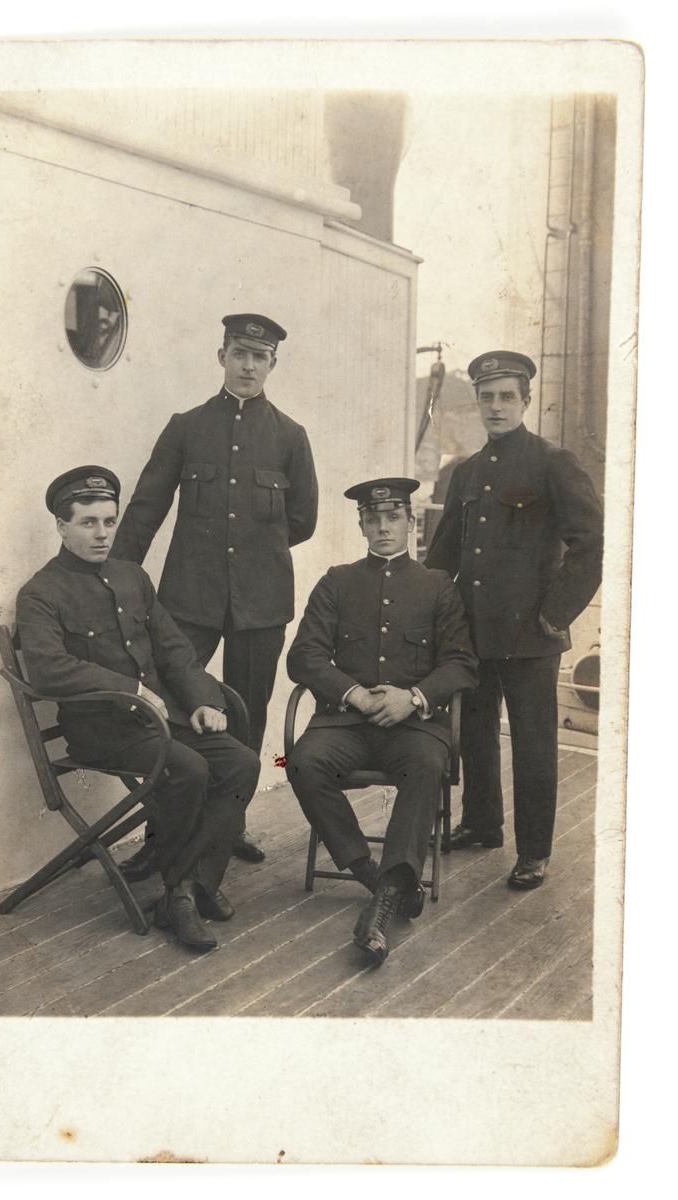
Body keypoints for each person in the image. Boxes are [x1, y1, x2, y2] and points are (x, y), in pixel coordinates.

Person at [15, 466, 261, 953]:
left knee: (242, 762)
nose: (102, 533)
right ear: (62, 528)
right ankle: (185, 894)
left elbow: (174, 652)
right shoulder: (41, 593)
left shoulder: (132, 577)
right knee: (188, 768)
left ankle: (189, 888)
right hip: (102, 730)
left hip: (161, 721)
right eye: (88, 523)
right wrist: (130, 687)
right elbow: (48, 670)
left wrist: (204, 700)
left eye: (109, 521)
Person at [111, 313, 318, 869]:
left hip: (261, 604)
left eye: (260, 357)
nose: (249, 365)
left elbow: (303, 520)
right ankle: (161, 836)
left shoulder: (291, 437)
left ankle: (230, 828)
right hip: (189, 599)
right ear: (221, 356)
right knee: (175, 709)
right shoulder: (186, 426)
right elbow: (146, 507)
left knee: (246, 717)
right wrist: (119, 578)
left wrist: (252, 553)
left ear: (273, 364)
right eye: (239, 354)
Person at [425, 351, 604, 890]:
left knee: (532, 743)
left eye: (507, 396)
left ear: (526, 401)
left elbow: (591, 544)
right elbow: (442, 557)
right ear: (477, 402)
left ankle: (534, 852)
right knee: (474, 733)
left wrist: (555, 613)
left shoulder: (553, 462)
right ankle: (482, 823)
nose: (496, 406)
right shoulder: (466, 472)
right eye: (487, 397)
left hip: (531, 634)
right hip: (474, 632)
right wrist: (430, 615)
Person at [286, 478, 478, 966]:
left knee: (426, 766)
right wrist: (351, 693)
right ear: (361, 525)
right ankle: (377, 879)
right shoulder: (337, 580)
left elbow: (460, 663)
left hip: (413, 729)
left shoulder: (438, 587)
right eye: (374, 519)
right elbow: (304, 655)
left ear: (410, 523)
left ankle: (382, 902)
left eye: (393, 518)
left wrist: (414, 697)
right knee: (301, 761)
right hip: (344, 727)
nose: (383, 528)